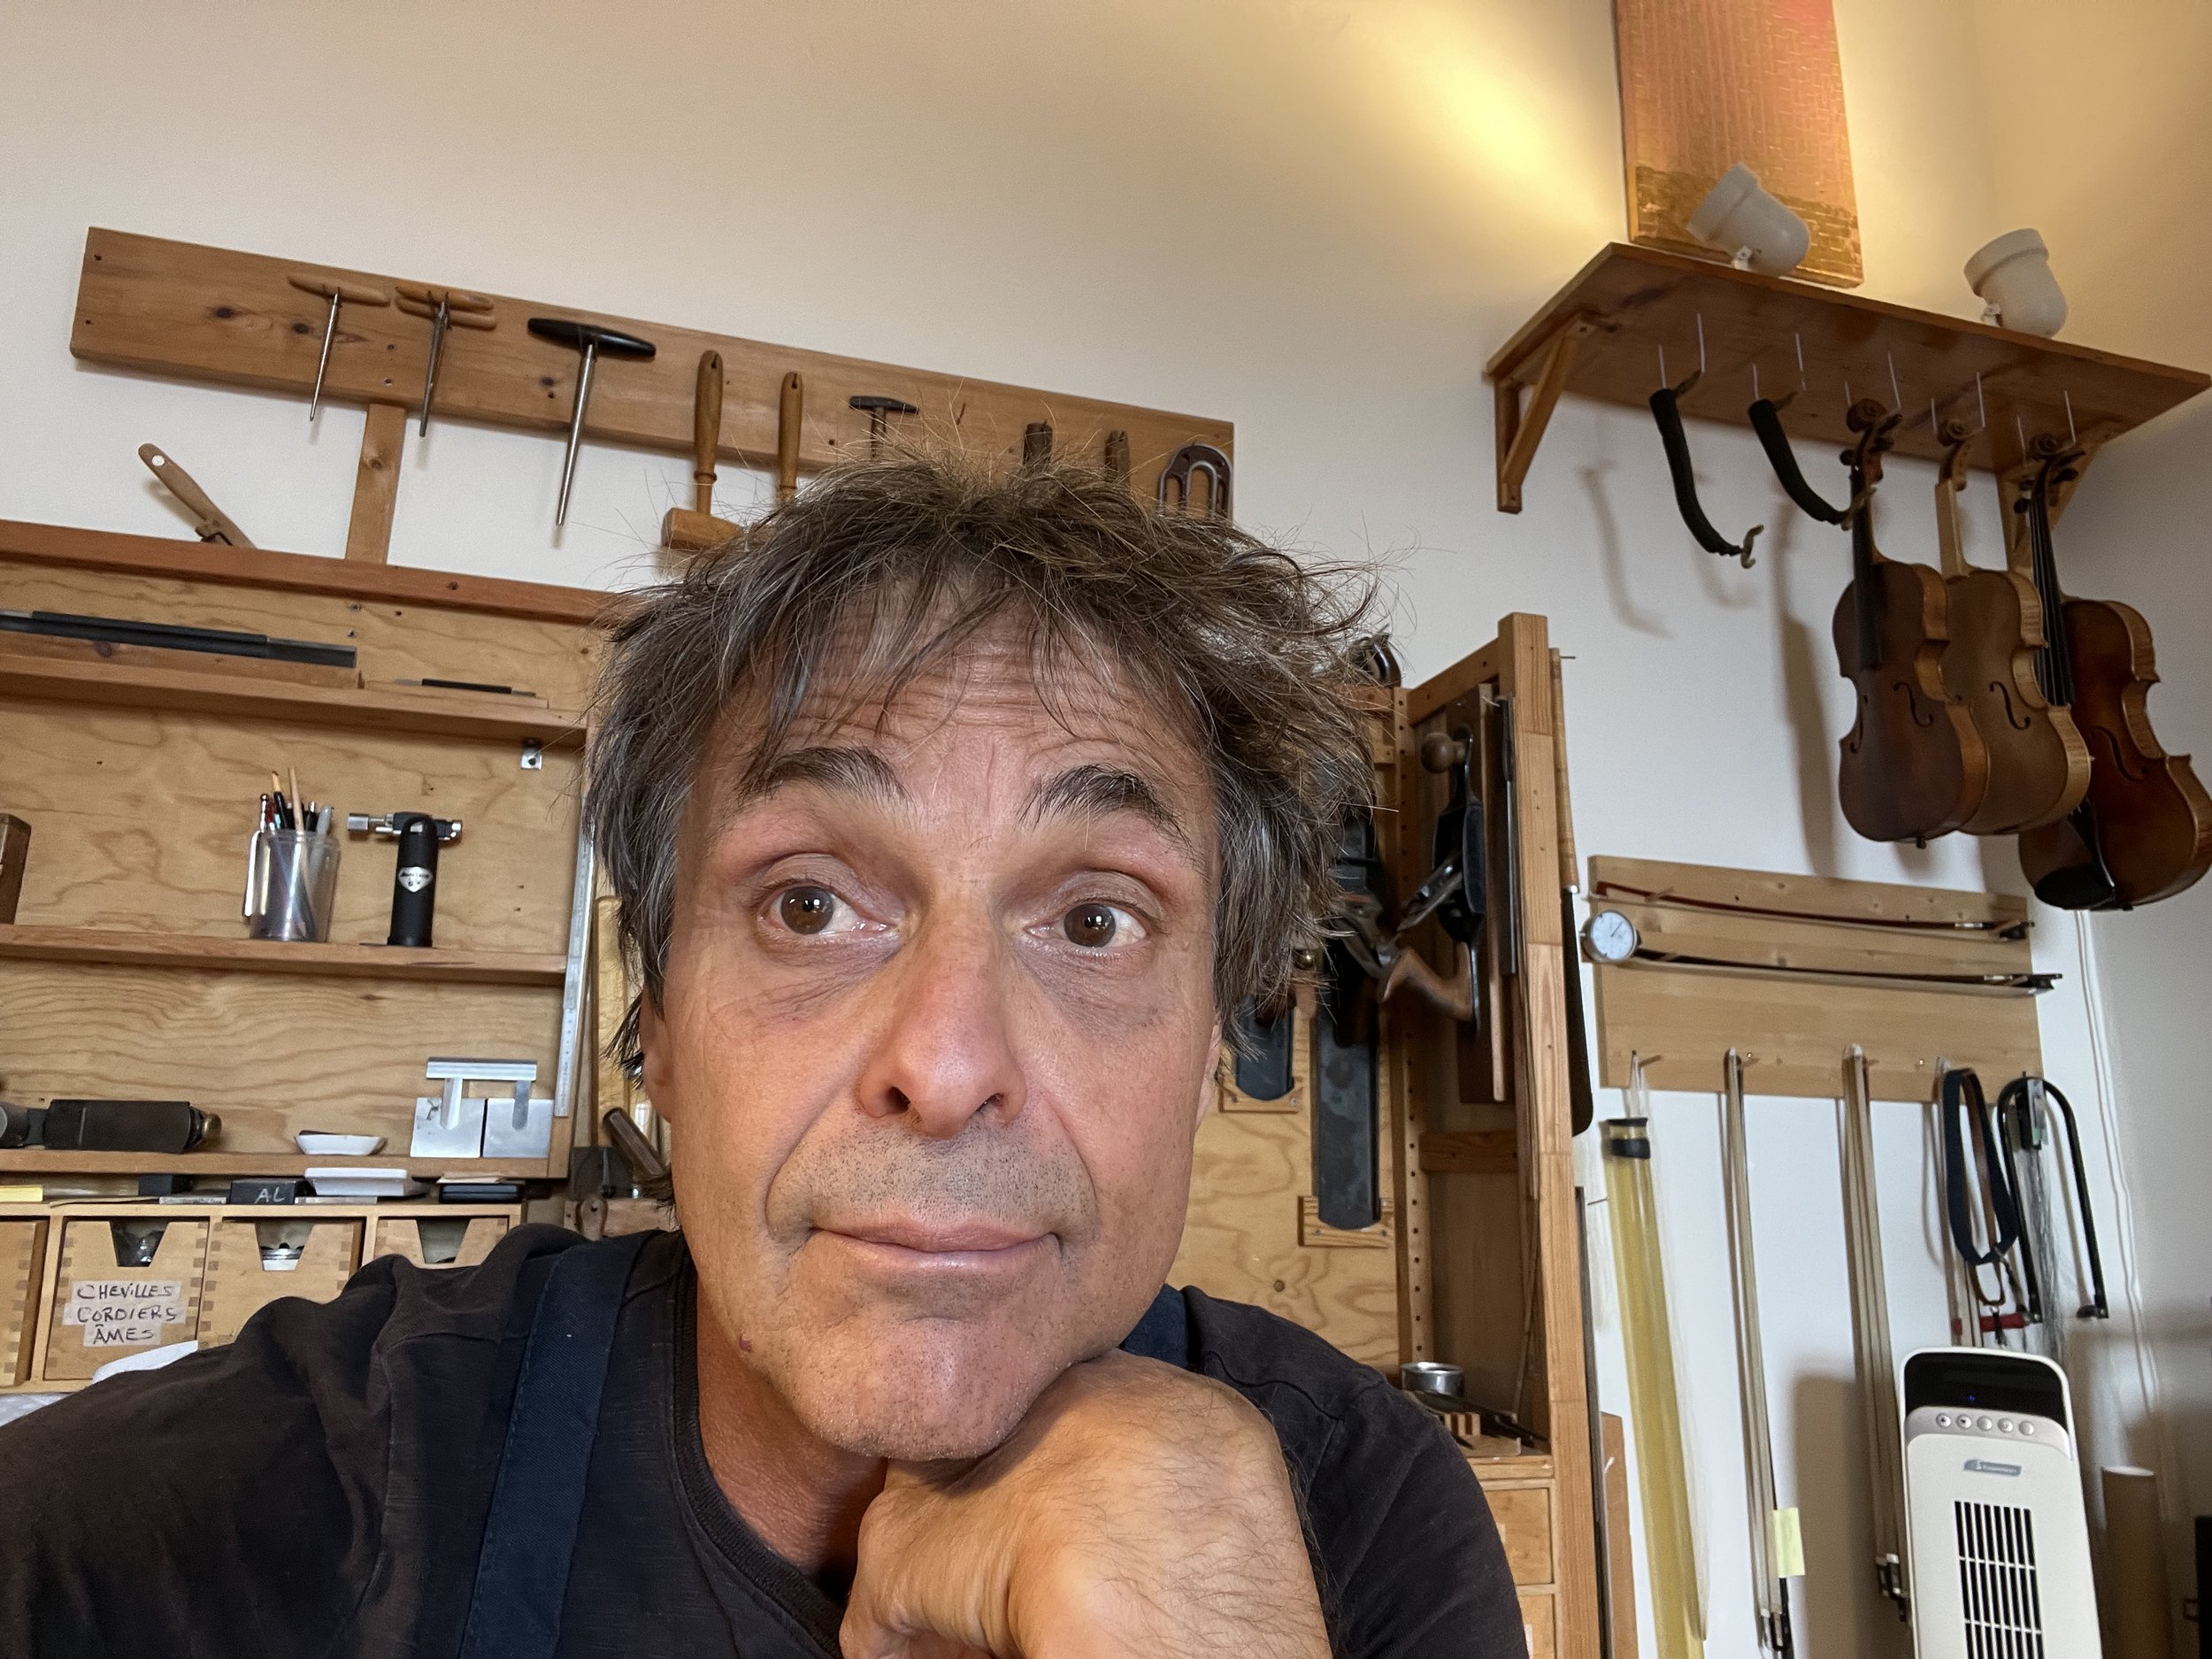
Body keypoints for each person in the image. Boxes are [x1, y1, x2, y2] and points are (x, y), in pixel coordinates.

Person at [0, 454, 1522, 1657]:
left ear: (1209, 1045)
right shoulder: (274, 1496)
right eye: (811, 904)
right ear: (653, 1027)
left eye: (1097, 920)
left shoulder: (1358, 1512)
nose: (945, 1061)